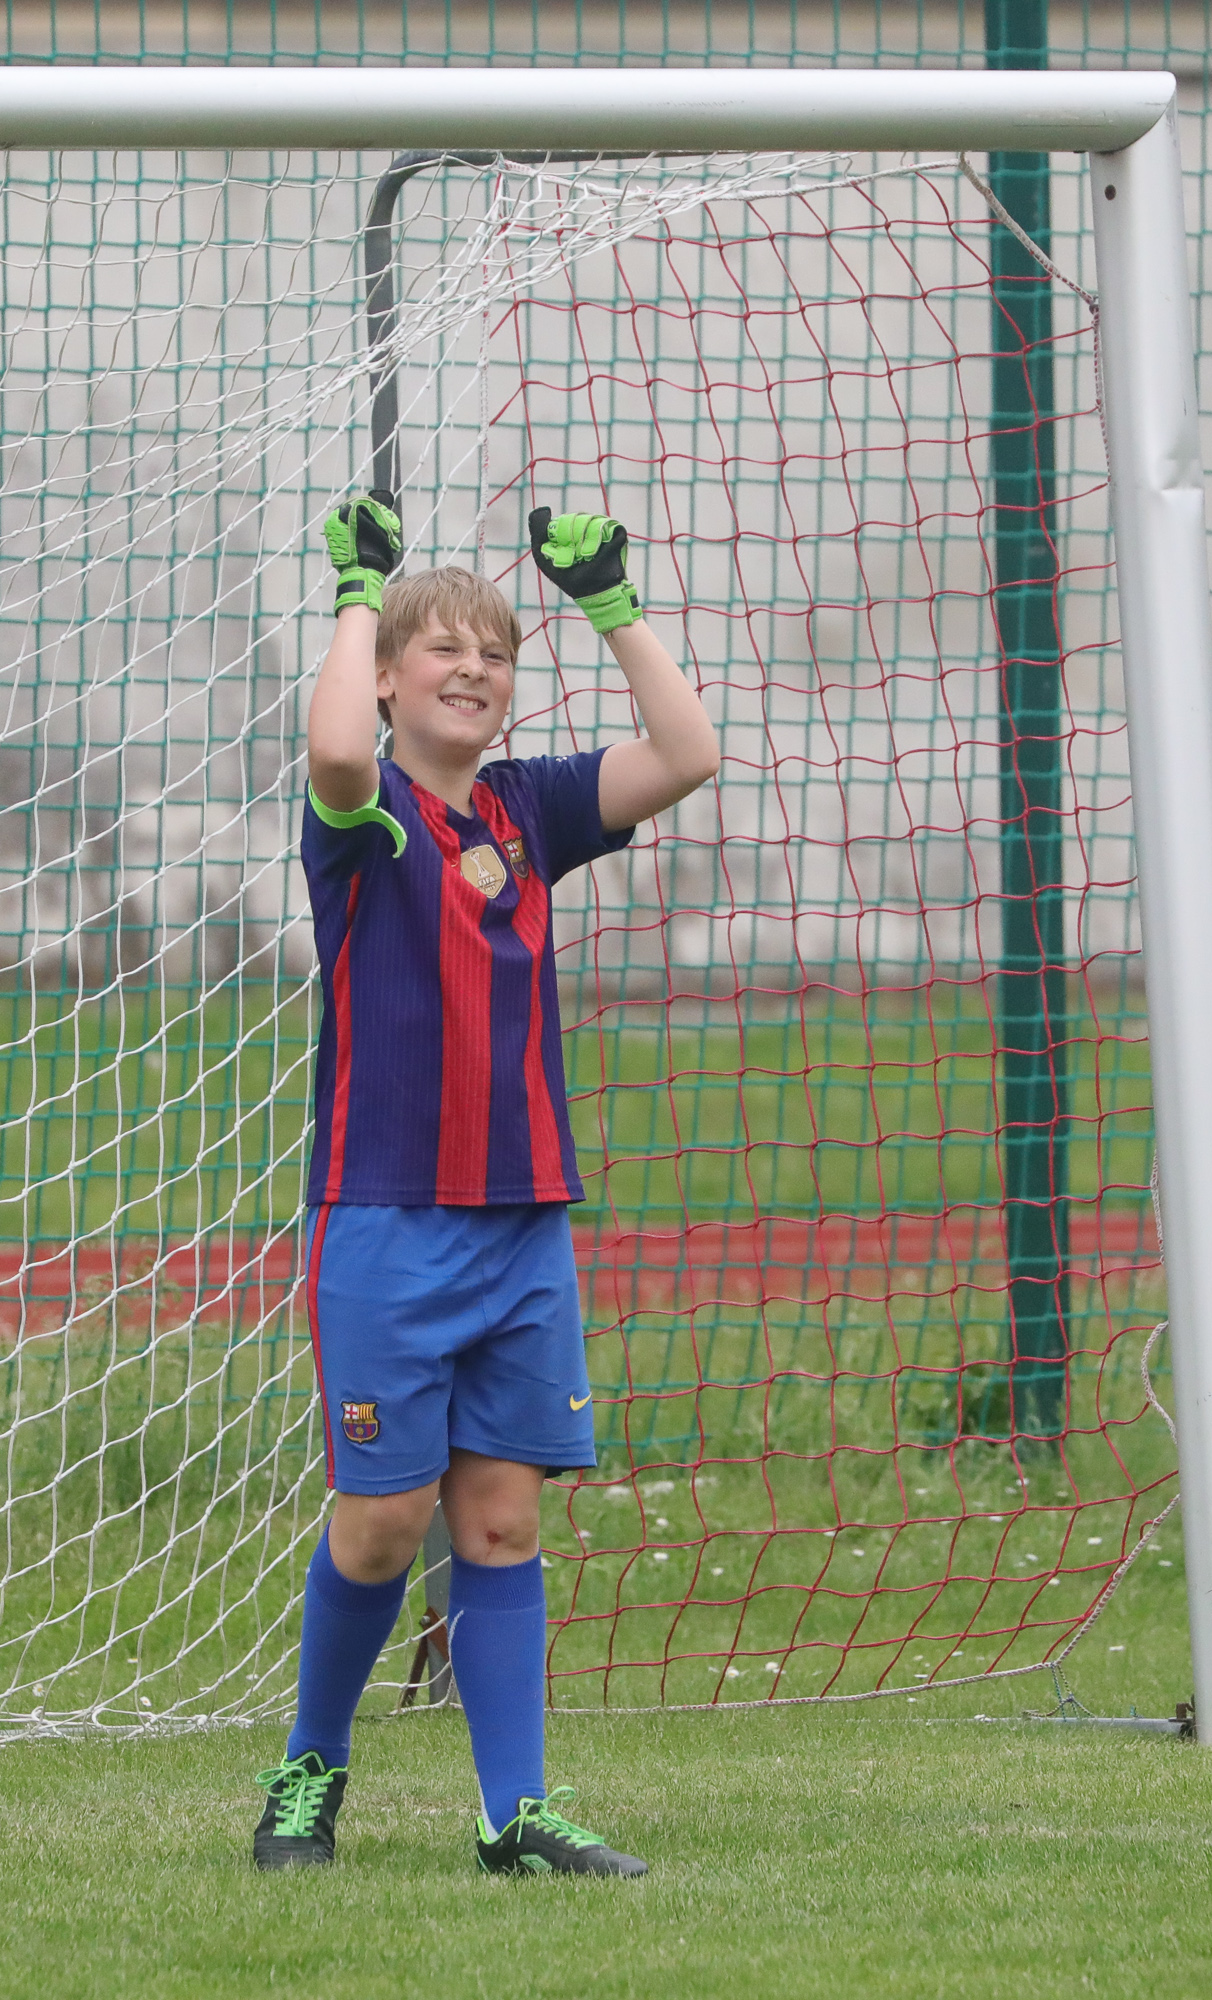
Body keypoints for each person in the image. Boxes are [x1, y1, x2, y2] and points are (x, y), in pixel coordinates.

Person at [251, 495, 717, 1876]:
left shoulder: (530, 808)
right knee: (384, 1524)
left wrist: (612, 607)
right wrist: (360, 593)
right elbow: (338, 746)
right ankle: (308, 1770)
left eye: (495, 654)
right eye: (442, 650)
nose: (472, 669)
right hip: (386, 1221)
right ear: (391, 676)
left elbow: (686, 753)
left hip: (521, 1227)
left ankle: (514, 1813)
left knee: (503, 1520)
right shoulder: (363, 818)